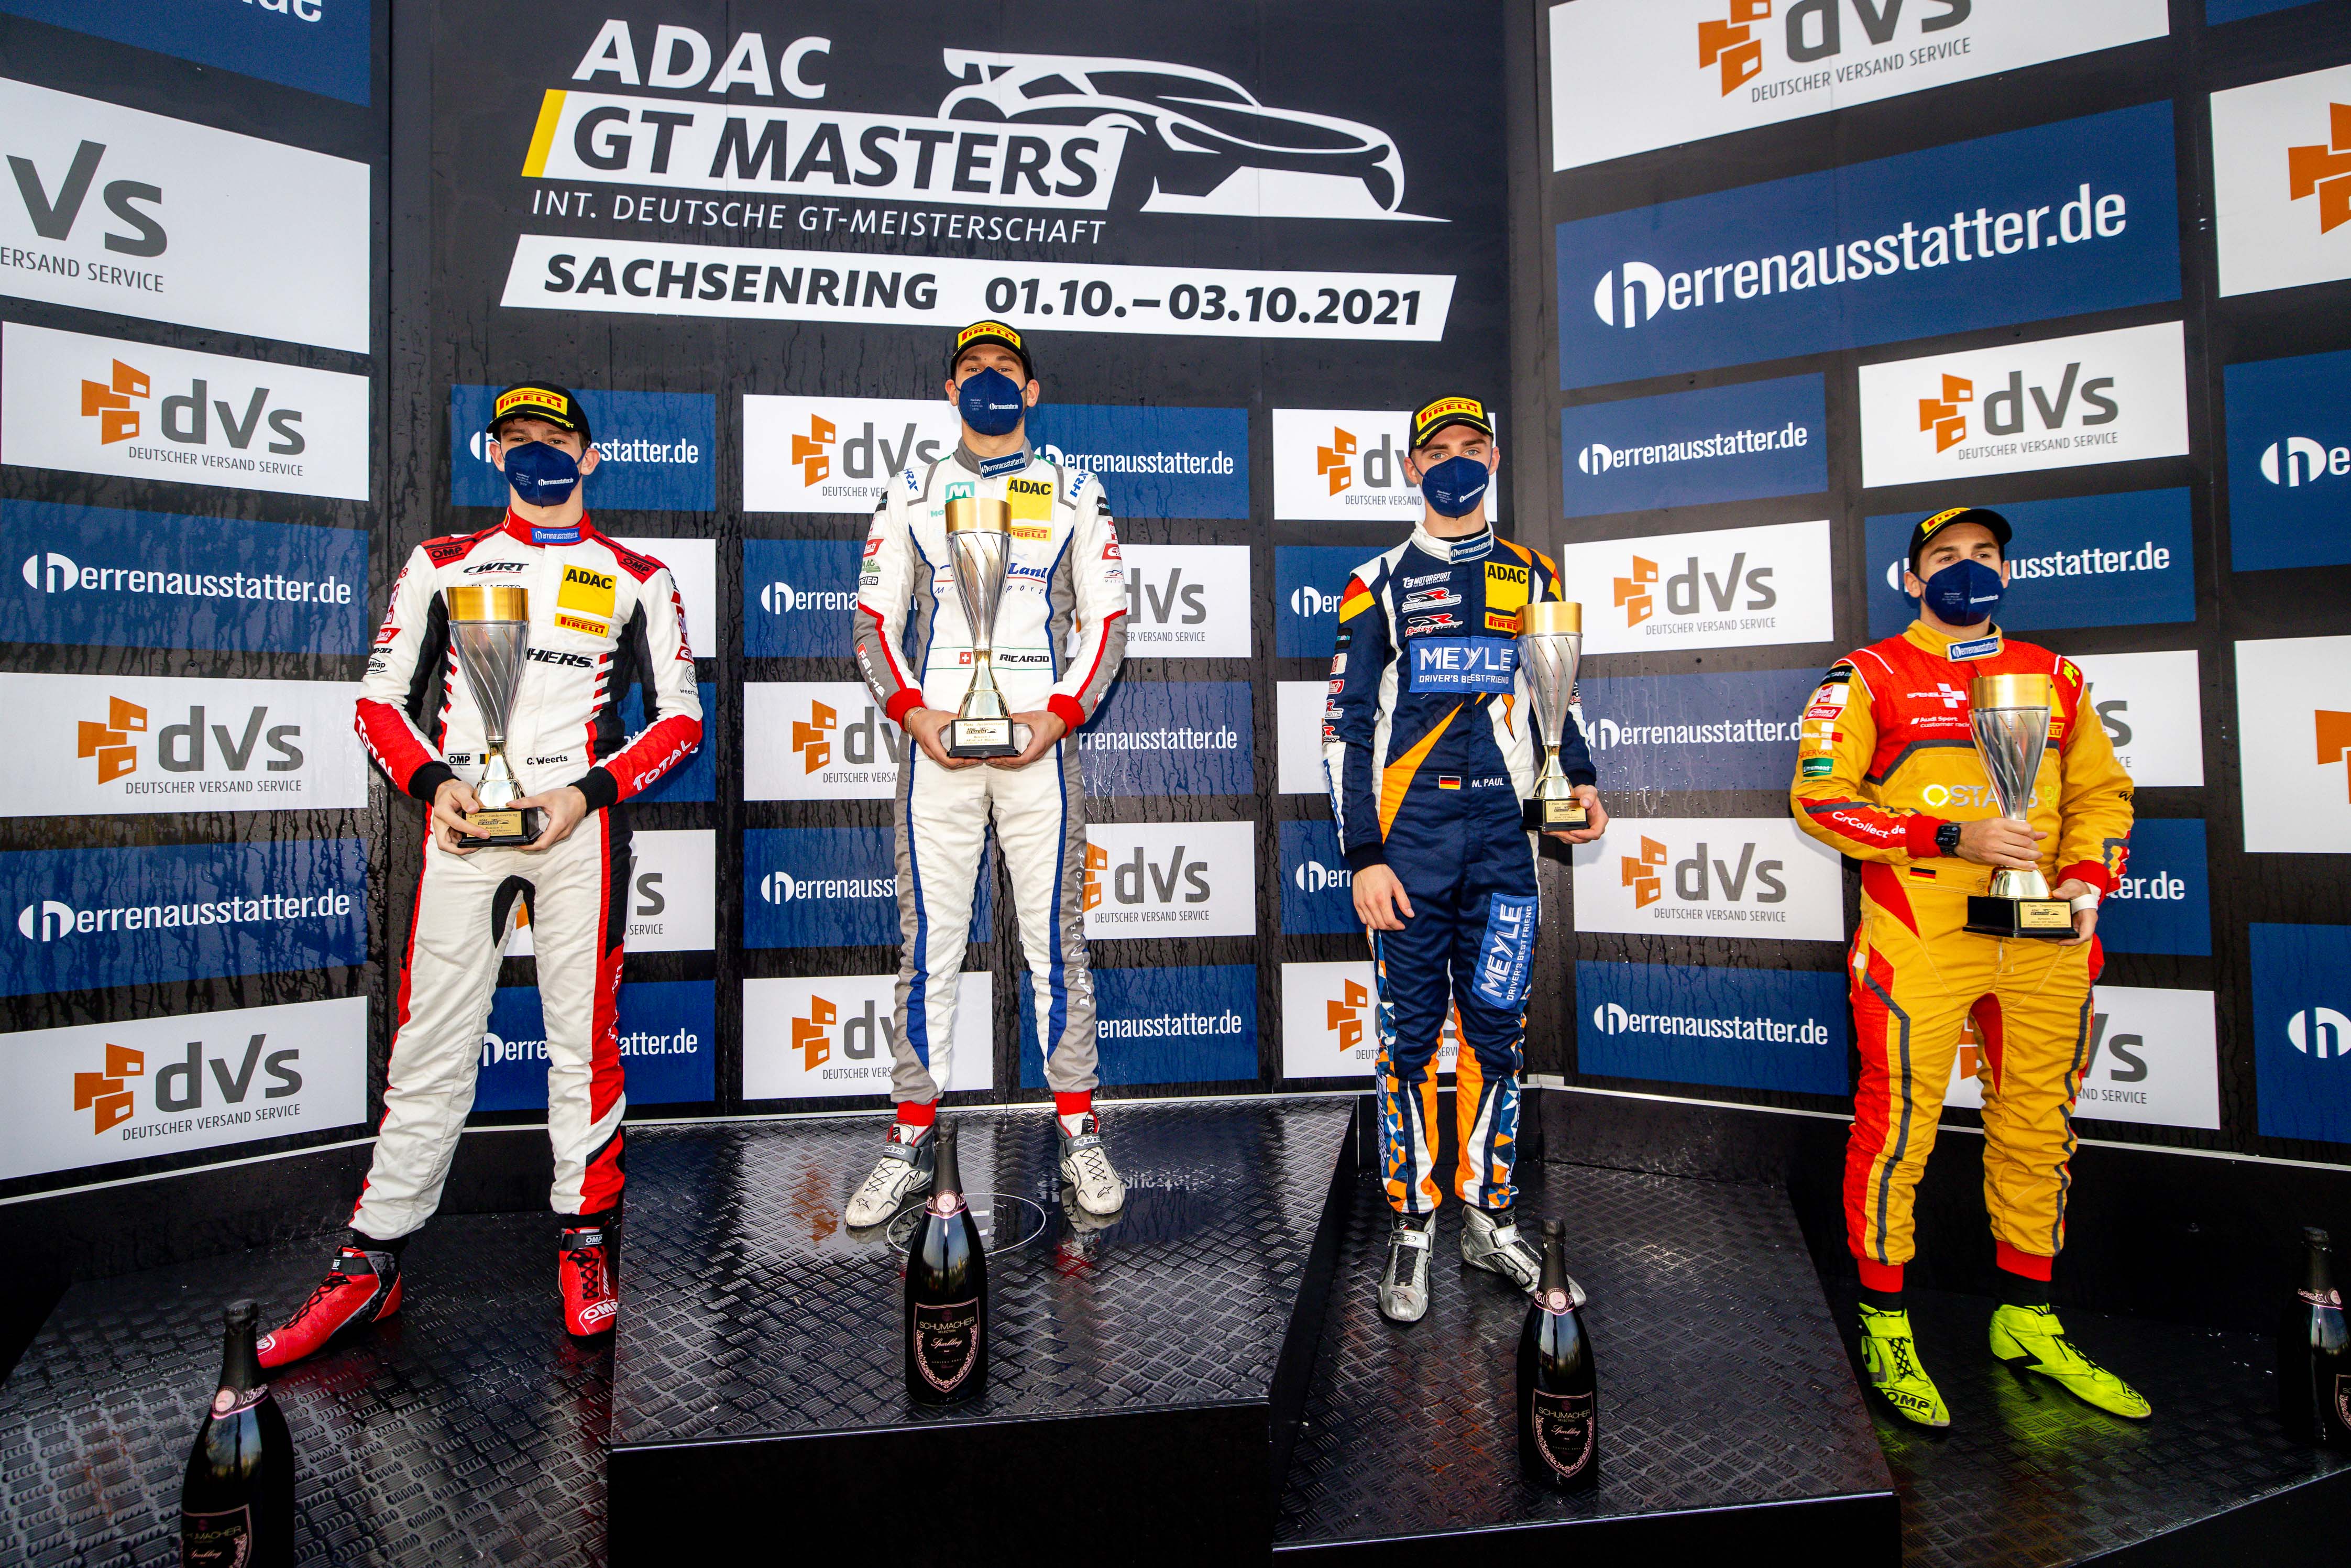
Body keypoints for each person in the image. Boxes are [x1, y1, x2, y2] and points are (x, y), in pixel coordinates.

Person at [257, 385, 702, 1366]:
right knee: (429, 1046)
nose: (537, 451)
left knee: (583, 1044)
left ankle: (587, 1239)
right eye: (518, 438)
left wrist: (585, 793)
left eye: (555, 438)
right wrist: (435, 784)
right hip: (462, 829)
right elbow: (378, 700)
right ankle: (372, 1259)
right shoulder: (443, 562)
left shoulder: (638, 576)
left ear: (590, 457)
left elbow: (682, 718)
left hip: (576, 832)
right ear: (492, 452)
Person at [1790, 505, 2146, 1428]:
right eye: (1945, 556)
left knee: (2039, 1125)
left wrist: (2086, 879)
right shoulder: (1868, 674)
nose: (1967, 567)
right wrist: (1952, 835)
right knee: (1897, 1127)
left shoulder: (2055, 676)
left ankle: (2027, 1316)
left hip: (2046, 936)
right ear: (1912, 579)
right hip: (1922, 929)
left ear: (2007, 573)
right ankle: (1884, 1321)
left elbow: (2104, 795)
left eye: (1985, 554)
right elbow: (1820, 799)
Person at [1322, 397, 1608, 1324]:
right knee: (1409, 1038)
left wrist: (1580, 780)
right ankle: (1413, 1221)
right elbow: (1344, 728)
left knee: (1497, 1033)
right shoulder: (1374, 582)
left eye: (1471, 446)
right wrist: (1363, 854)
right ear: (1412, 467)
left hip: (1504, 846)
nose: (1454, 461)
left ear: (1494, 458)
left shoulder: (1534, 572)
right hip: (1408, 848)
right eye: (1436, 449)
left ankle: (1490, 1217)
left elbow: (1558, 698)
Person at [847, 321, 1129, 1224]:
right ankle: (909, 1135)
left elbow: (1107, 620)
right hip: (939, 749)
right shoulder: (912, 491)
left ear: (1032, 391)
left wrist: (1058, 716)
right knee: (928, 947)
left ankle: (1079, 1129)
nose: (990, 379)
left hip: (1039, 752)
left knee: (1057, 945)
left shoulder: (1077, 490)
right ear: (950, 390)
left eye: (1007, 367)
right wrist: (914, 714)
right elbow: (873, 622)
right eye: (972, 368)